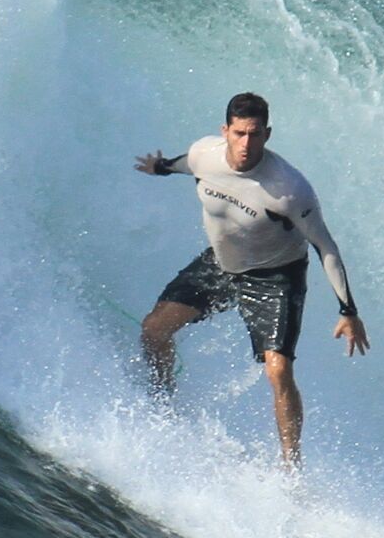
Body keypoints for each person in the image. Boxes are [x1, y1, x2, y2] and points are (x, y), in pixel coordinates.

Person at [134, 92, 368, 467]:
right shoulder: (203, 155)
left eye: (255, 134)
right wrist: (158, 166)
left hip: (275, 278)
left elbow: (326, 247)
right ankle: (163, 406)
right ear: (225, 131)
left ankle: (291, 468)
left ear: (267, 134)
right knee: (153, 330)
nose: (246, 144)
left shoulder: (290, 189)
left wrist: (348, 310)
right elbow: (182, 165)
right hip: (223, 264)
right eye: (239, 133)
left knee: (278, 369)